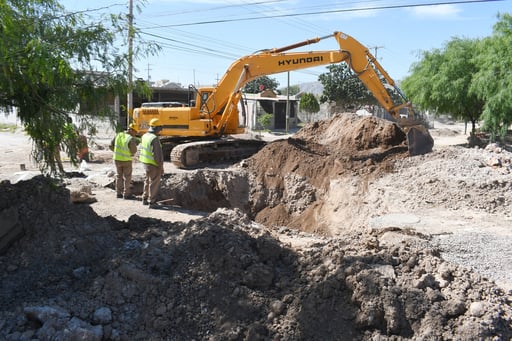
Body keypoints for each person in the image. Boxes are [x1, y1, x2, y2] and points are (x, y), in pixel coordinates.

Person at [139, 118, 164, 208]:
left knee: (147, 181)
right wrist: (160, 167)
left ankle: (144, 199)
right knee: (154, 183)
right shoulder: (154, 139)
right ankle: (152, 202)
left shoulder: (145, 136)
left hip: (145, 163)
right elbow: (157, 155)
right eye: (160, 128)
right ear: (157, 128)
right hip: (153, 164)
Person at [110, 123, 139, 200]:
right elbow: (134, 150)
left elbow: (110, 145)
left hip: (117, 159)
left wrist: (116, 151)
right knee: (127, 177)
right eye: (135, 132)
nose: (135, 134)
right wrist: (129, 154)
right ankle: (126, 194)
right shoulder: (130, 138)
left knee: (119, 176)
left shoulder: (118, 135)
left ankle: (118, 193)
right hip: (126, 160)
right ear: (132, 130)